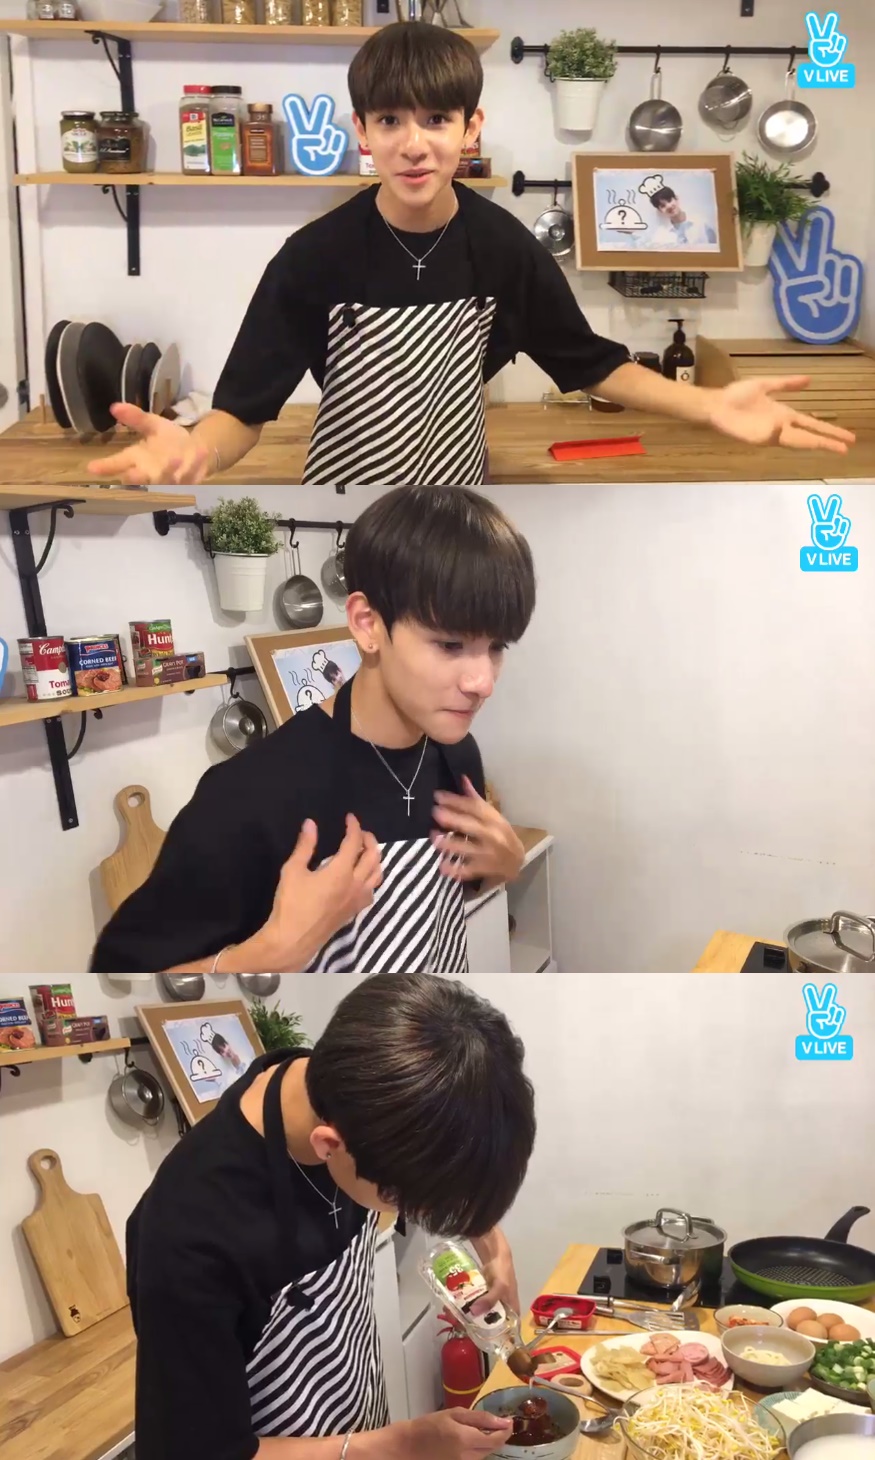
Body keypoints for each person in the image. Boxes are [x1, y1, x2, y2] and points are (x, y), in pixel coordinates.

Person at [84, 24, 853, 493]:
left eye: (435, 118)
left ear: (470, 127)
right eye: (390, 120)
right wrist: (198, 453)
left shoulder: (503, 248)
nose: (413, 143)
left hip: (460, 496)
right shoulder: (312, 259)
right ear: (361, 130)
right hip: (348, 500)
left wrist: (708, 406)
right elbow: (242, 414)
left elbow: (589, 364)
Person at [89, 485, 535, 975]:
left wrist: (503, 868)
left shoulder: (457, 756)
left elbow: (436, 905)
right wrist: (272, 954)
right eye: (450, 645)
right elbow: (117, 975)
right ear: (367, 624)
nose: (483, 682)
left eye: (497, 647)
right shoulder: (248, 798)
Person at [128, 971, 537, 1460]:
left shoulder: (359, 1088)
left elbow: (441, 1148)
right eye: (405, 1201)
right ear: (329, 1146)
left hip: (358, 1432)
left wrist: (494, 1248)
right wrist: (404, 1443)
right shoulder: (190, 1237)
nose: (412, 1210)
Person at [645, 183, 717, 249]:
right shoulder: (661, 236)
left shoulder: (700, 222)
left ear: (676, 198)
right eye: (663, 206)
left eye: (669, 200)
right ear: (660, 210)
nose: (669, 206)